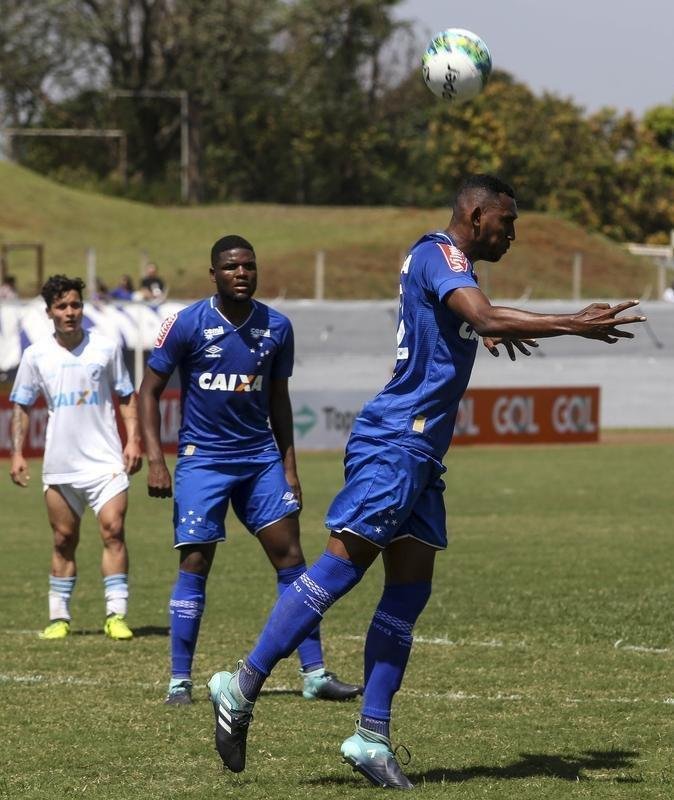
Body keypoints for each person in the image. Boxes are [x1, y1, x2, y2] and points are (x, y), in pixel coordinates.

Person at [207, 175, 647, 788]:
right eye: (507, 221)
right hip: (396, 440)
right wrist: (571, 322)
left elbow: (476, 320)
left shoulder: (450, 265)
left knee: (410, 589)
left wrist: (488, 330)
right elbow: (483, 317)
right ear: (475, 213)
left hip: (421, 451)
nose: (512, 233)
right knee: (341, 566)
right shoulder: (440, 252)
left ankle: (370, 736)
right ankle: (242, 683)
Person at [138, 234, 362, 705]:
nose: (242, 274)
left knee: (292, 560)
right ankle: (180, 679)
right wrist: (156, 459)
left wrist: (290, 467)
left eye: (249, 267)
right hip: (204, 460)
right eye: (232, 267)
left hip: (261, 459)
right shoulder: (186, 323)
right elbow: (148, 391)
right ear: (214, 273)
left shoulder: (278, 326)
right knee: (195, 561)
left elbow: (279, 401)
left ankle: (315, 673)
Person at [9, 274, 142, 640]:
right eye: (62, 306)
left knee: (114, 531)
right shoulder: (37, 355)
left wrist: (133, 441)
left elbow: (127, 395)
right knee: (63, 540)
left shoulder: (106, 347)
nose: (70, 312)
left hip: (106, 463)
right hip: (61, 465)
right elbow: (20, 404)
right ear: (49, 312)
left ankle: (116, 614)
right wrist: (18, 452)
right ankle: (59, 617)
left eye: (75, 305)